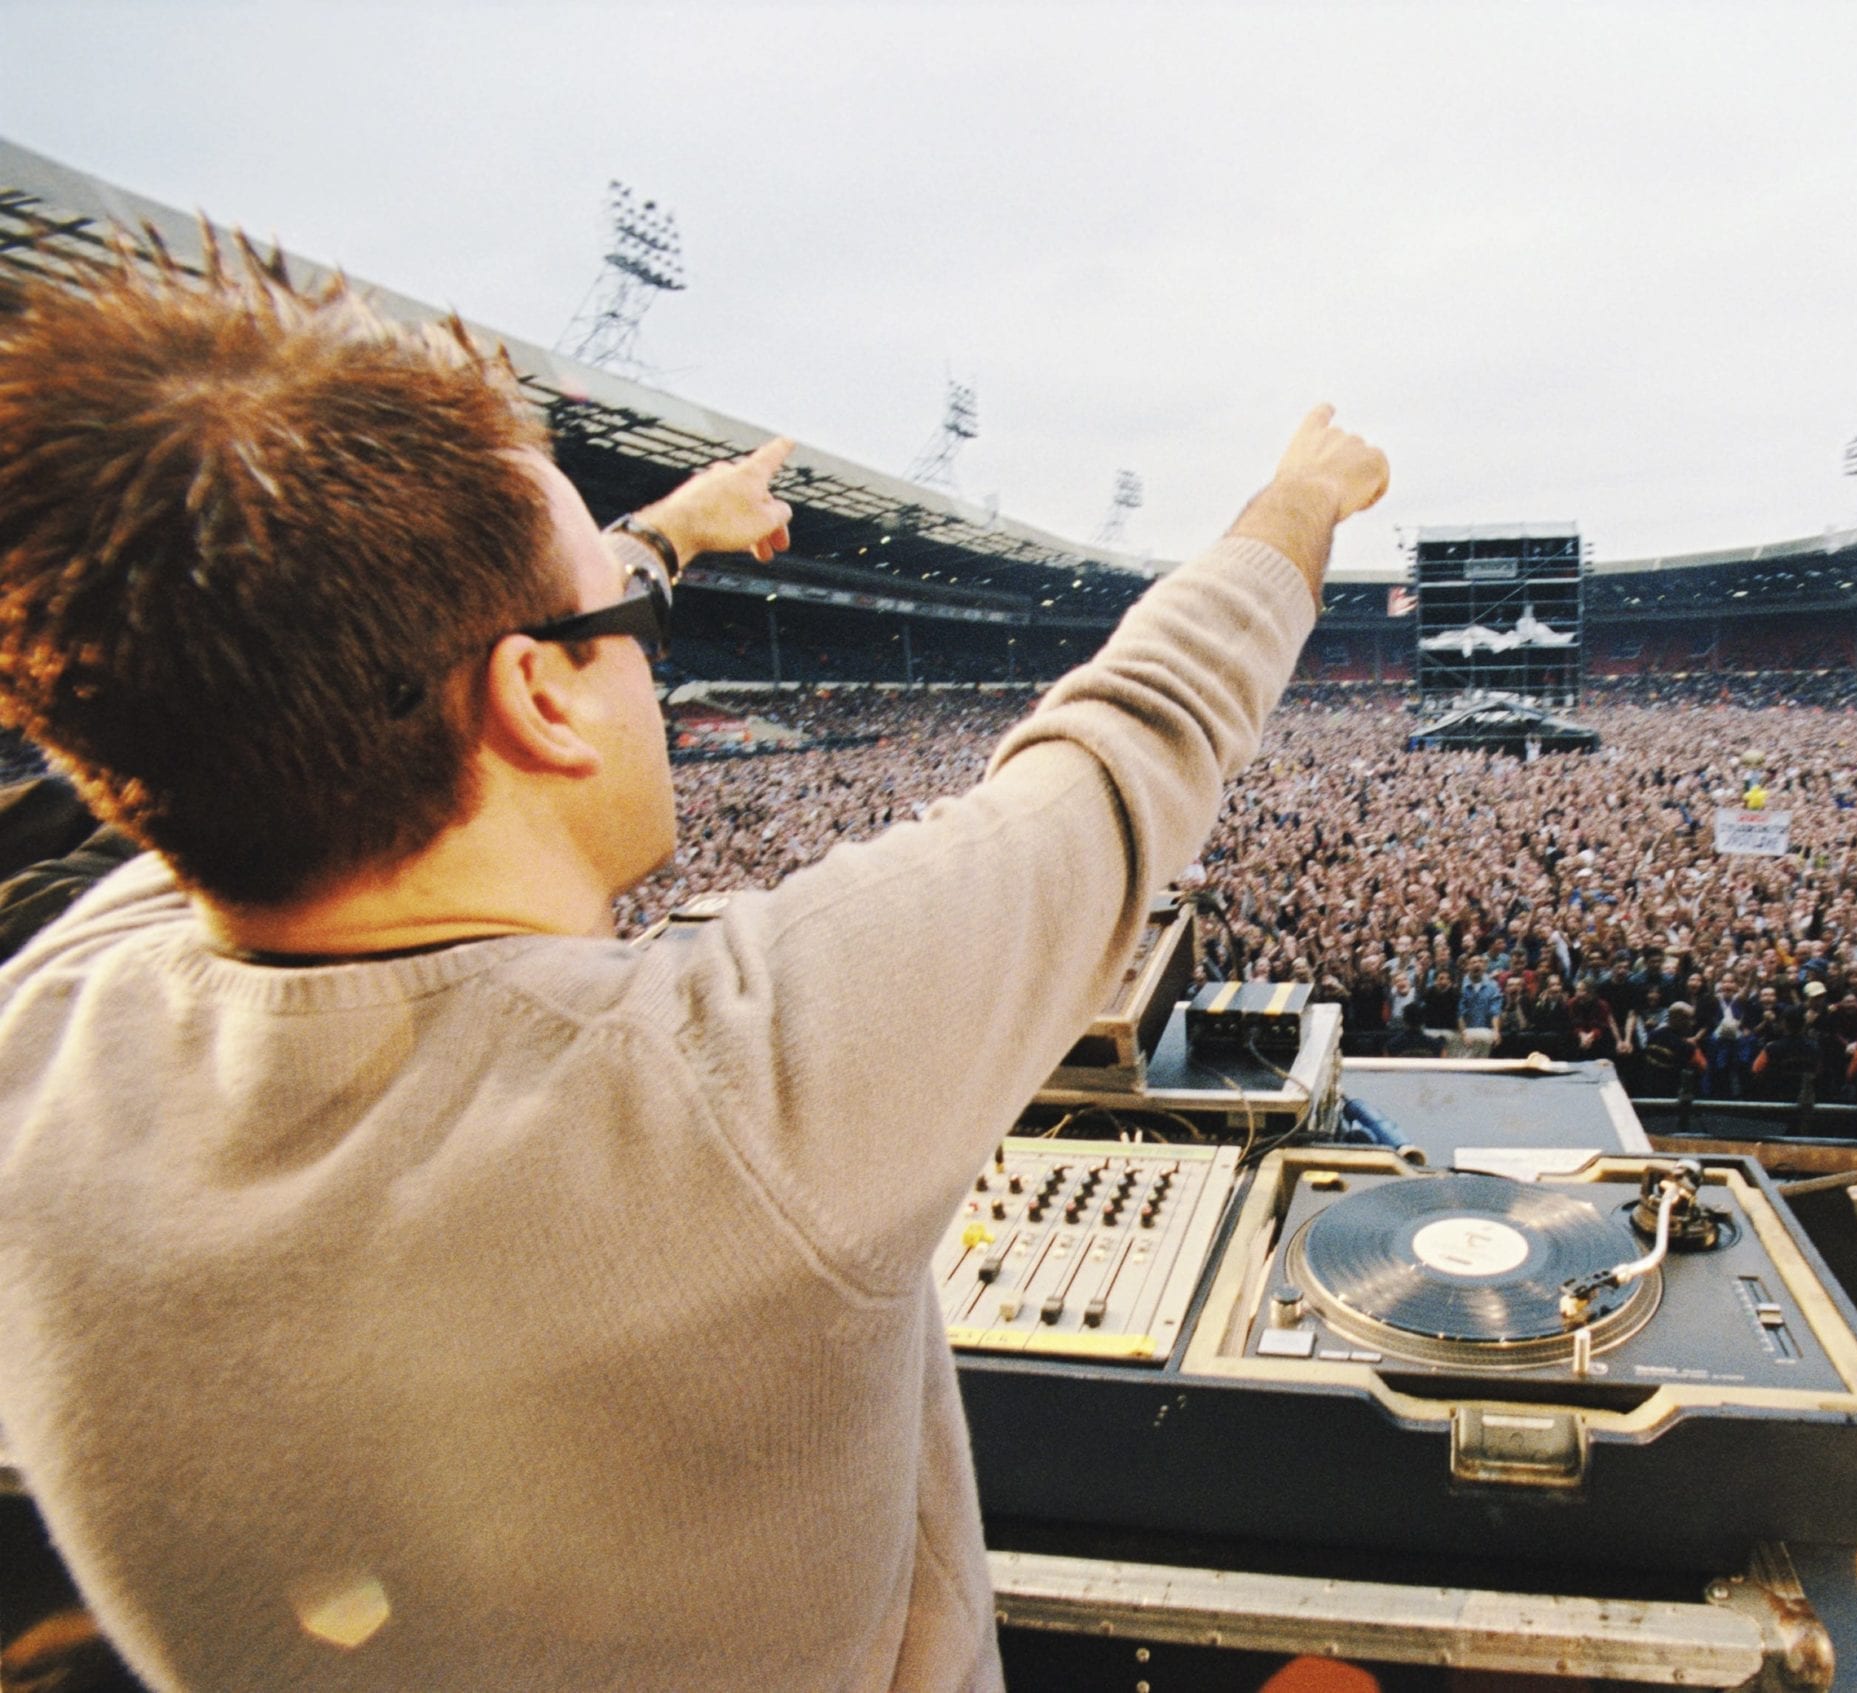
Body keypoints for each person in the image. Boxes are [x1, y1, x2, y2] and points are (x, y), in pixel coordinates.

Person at [0, 239, 1387, 1691]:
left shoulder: (45, 1036)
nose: (649, 650)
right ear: (540, 699)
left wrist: (652, 542)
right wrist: (1296, 500)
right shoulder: (742, 1089)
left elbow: (249, 699)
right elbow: (1130, 740)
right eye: (631, 622)